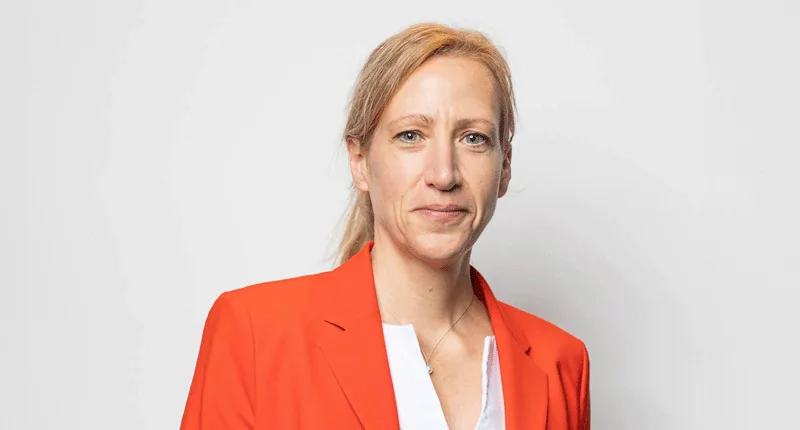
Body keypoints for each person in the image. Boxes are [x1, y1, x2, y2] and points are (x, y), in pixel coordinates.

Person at [180, 22, 590, 430]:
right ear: (359, 162)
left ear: (505, 167)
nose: (444, 175)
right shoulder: (255, 333)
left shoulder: (560, 364)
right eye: (411, 135)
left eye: (473, 138)